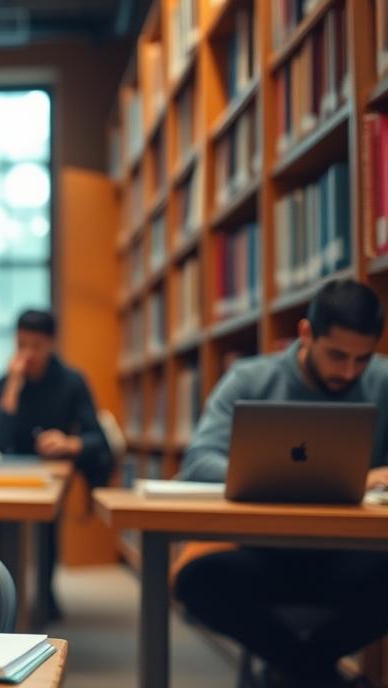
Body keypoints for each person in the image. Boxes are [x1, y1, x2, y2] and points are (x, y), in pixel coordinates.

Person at [174, 280, 388, 688]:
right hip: (266, 553)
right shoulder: (250, 379)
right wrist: (265, 475)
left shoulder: (385, 381)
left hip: (353, 556)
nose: (349, 372)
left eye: (362, 359)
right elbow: (199, 461)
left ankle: (290, 672)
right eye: (337, 355)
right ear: (306, 333)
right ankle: (320, 677)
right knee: (196, 582)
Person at [0, 308, 114, 621]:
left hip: (51, 474)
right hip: (6, 475)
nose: (27, 354)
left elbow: (99, 439)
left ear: (52, 344)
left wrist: (69, 443)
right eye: (21, 345)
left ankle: (43, 598)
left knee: (45, 528)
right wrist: (14, 385)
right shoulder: (0, 384)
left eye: (36, 346)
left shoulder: (72, 382)